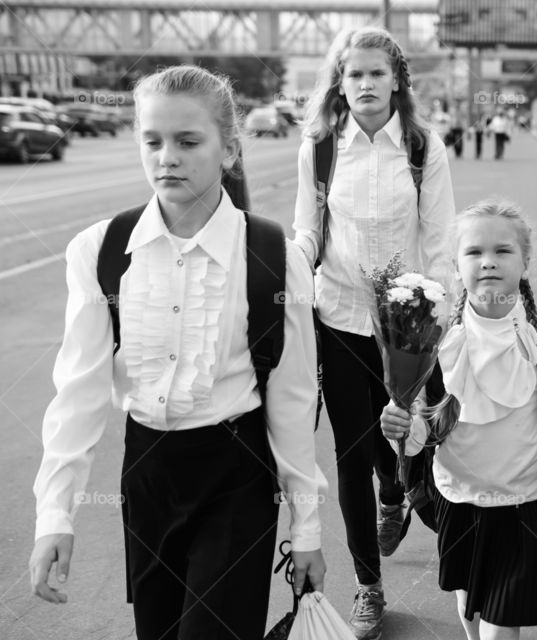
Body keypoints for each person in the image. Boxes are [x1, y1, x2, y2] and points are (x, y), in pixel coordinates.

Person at [28, 65, 326, 640]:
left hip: (237, 480)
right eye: (153, 141)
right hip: (147, 479)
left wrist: (307, 527)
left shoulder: (274, 258)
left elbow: (291, 399)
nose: (168, 156)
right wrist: (54, 516)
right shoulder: (99, 251)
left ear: (229, 150)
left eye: (189, 142)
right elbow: (80, 393)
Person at [293, 26, 455, 640]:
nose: (364, 83)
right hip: (337, 317)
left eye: (376, 73)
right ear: (340, 82)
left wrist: (440, 320)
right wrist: (288, 261)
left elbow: (440, 241)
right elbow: (310, 231)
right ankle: (368, 585)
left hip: (407, 326)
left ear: (396, 82)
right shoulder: (321, 148)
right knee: (351, 452)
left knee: (410, 440)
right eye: (353, 73)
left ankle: (398, 489)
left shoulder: (421, 147)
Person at [380, 199, 537, 640]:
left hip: (526, 497)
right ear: (456, 265)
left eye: (503, 251)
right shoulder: (434, 334)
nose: (488, 262)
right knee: (468, 600)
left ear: (525, 262)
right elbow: (425, 421)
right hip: (457, 497)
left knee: (503, 627)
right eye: (473, 252)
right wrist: (401, 425)